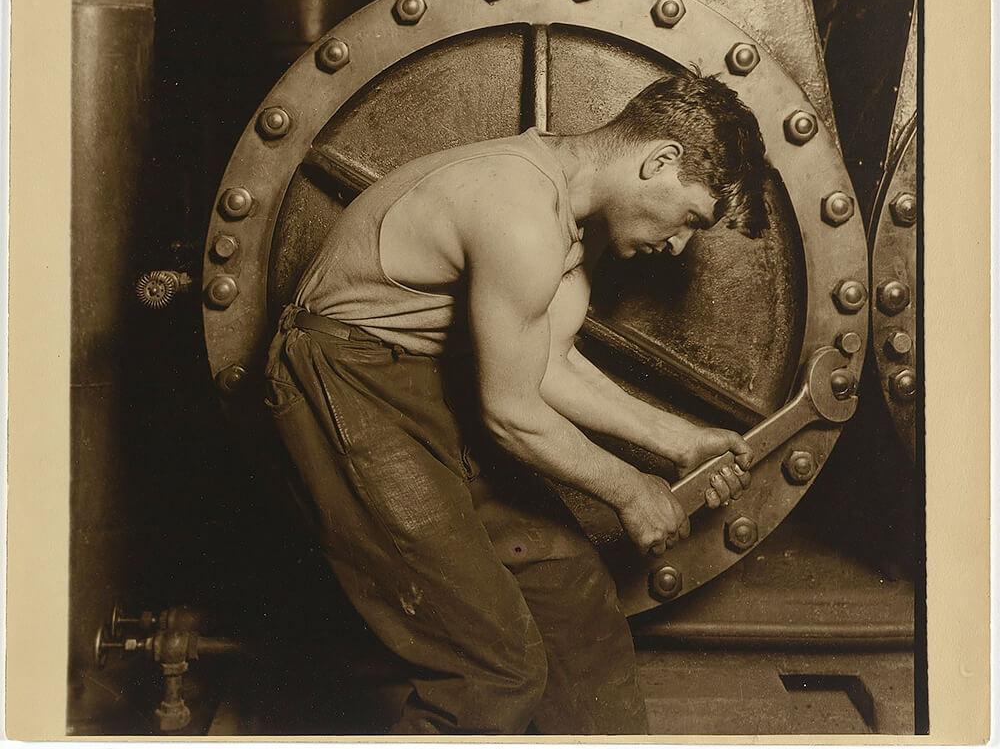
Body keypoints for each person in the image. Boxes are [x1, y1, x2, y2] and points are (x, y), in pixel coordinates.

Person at [265, 67, 769, 735]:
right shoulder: (520, 210)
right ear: (661, 160)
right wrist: (630, 489)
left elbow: (547, 365)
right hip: (340, 381)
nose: (676, 244)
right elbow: (509, 411)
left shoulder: (569, 222)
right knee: (493, 668)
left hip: (417, 380)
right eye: (689, 219)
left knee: (571, 594)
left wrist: (679, 439)